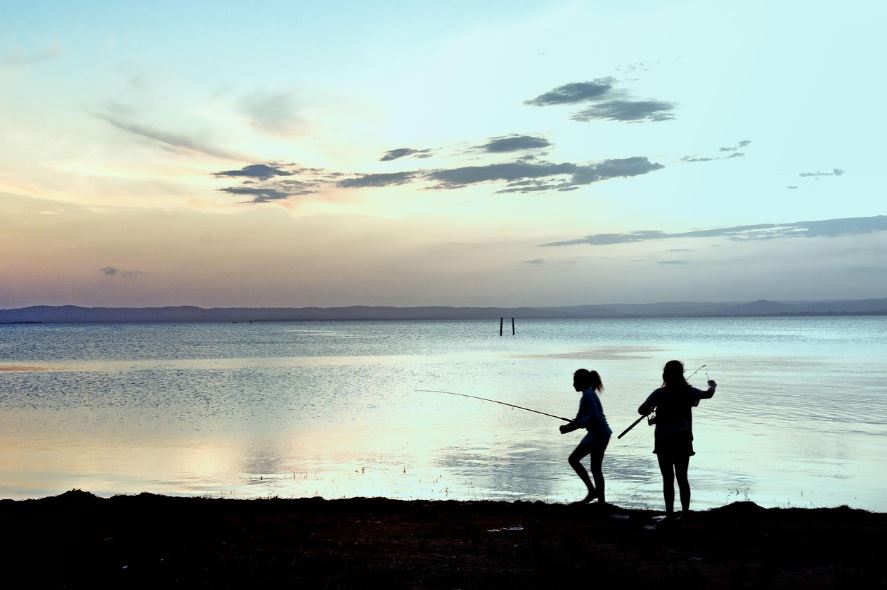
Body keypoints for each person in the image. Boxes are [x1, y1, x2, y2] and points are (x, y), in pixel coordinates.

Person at [638, 360, 716, 518]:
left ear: (665, 375)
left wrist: (652, 409)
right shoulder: (689, 391)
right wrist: (713, 385)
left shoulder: (658, 393)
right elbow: (708, 394)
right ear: (681, 373)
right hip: (683, 438)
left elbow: (641, 410)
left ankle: (669, 514)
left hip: (664, 440)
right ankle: (685, 513)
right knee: (682, 478)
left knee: (668, 479)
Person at [559, 368, 612, 504]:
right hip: (601, 432)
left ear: (581, 381)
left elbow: (593, 418)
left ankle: (593, 492)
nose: (573, 385)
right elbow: (579, 420)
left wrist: (576, 425)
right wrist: (568, 427)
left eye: (575, 381)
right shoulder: (587, 395)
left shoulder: (588, 395)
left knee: (573, 459)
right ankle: (600, 501)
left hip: (598, 433)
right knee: (595, 468)